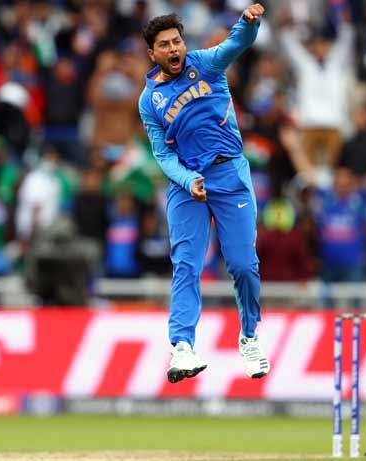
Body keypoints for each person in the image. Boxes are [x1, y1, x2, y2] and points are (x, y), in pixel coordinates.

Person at [138, 4, 270, 384]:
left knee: (244, 265)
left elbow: (236, 44)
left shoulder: (206, 64)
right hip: (187, 186)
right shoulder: (150, 101)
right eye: (165, 45)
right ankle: (182, 345)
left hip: (229, 174)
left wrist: (248, 22)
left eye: (177, 41)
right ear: (153, 53)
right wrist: (186, 180)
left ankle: (249, 337)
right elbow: (162, 154)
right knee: (187, 265)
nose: (174, 49)